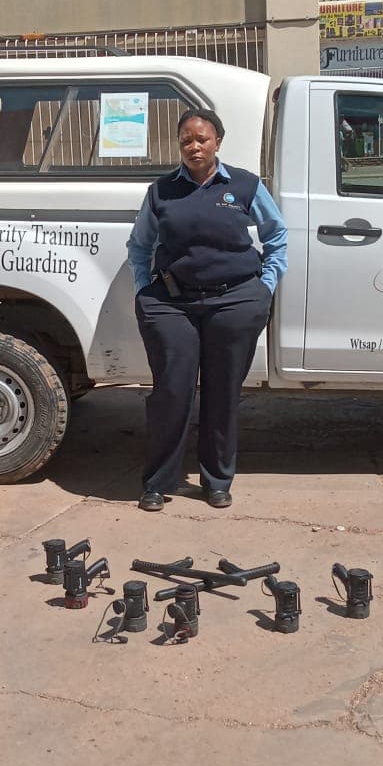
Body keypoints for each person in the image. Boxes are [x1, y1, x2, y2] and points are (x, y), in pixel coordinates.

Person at [126, 108, 288, 512]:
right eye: (186, 139)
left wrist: (264, 287)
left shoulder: (245, 186)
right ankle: (158, 481)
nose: (194, 146)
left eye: (202, 138)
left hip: (235, 301)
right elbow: (140, 245)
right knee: (172, 392)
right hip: (172, 303)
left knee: (222, 392)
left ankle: (217, 480)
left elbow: (277, 236)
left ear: (218, 141)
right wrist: (144, 288)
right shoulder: (161, 191)